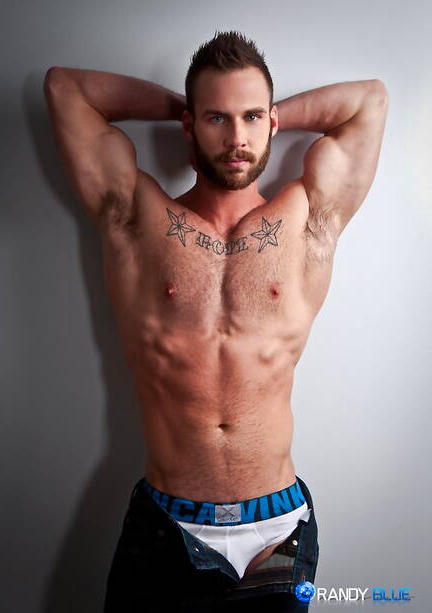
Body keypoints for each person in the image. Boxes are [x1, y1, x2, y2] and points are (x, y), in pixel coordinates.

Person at [43, 30, 388, 612]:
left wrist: (265, 113)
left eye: (252, 118)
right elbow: (65, 89)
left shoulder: (308, 217)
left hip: (278, 532)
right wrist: (187, 105)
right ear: (190, 124)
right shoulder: (138, 218)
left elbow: (369, 101)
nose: (236, 138)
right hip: (166, 526)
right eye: (216, 119)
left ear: (271, 122)